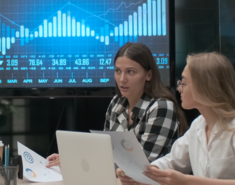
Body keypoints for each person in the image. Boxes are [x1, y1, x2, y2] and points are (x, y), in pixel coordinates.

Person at [117, 52, 235, 185]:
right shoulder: (199, 125)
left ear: (205, 87)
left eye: (184, 83)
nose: (179, 88)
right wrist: (139, 177)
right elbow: (171, 162)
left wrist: (186, 182)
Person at [47, 42, 187, 168]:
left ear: (148, 75)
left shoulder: (161, 107)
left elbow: (141, 164)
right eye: (117, 71)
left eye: (130, 72)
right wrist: (70, 157)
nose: (122, 79)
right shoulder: (116, 103)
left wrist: (76, 161)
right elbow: (105, 152)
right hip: (121, 183)